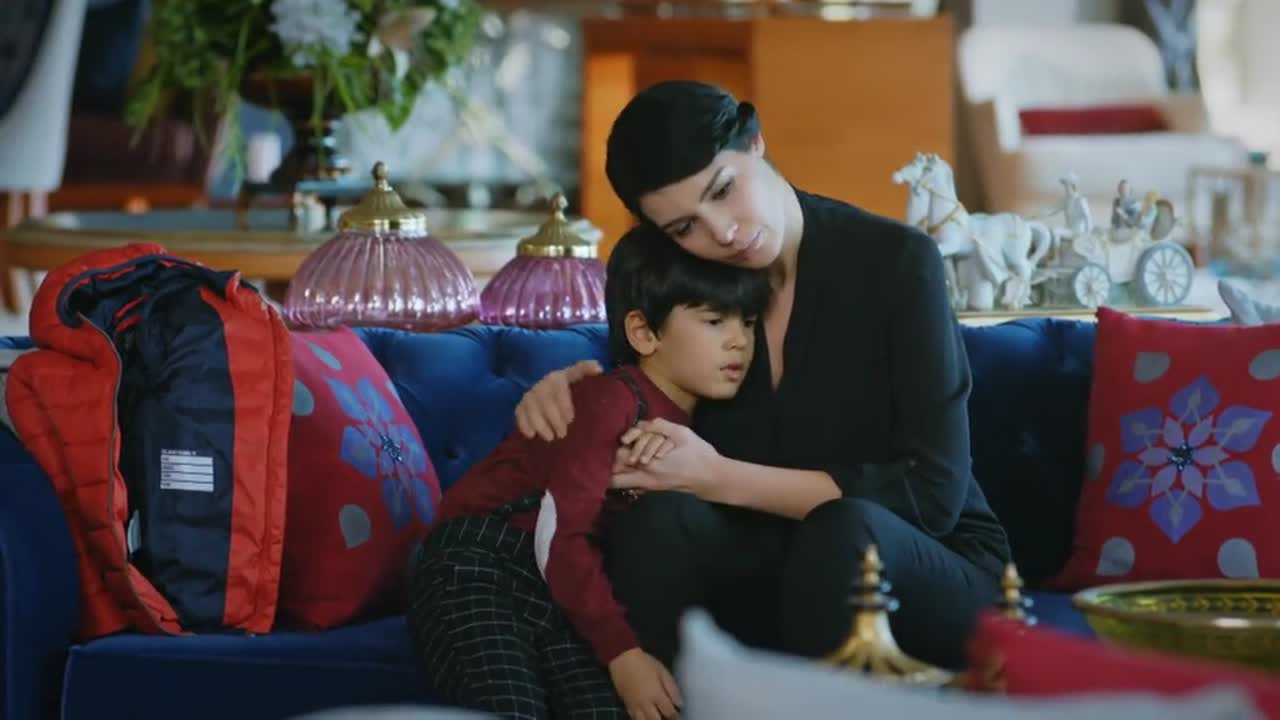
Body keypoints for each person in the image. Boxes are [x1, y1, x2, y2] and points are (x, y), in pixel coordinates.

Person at [513, 80, 1012, 671]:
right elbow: (642, 427)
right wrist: (575, 395)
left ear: (755, 142)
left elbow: (932, 497)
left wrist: (718, 477)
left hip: (923, 564)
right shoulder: (661, 271)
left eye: (724, 190)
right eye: (684, 227)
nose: (721, 232)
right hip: (766, 565)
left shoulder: (897, 262)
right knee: (656, 523)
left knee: (842, 530)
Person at [405, 221, 772, 720]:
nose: (739, 342)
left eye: (748, 322)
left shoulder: (702, 428)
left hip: (565, 588)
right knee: (510, 708)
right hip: (480, 562)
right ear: (643, 333)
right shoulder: (612, 398)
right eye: (715, 321)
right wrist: (624, 654)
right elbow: (559, 532)